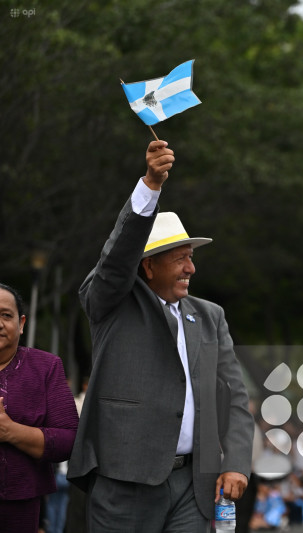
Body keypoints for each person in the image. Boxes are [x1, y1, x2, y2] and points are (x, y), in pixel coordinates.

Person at [67, 140, 255, 532]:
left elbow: (234, 395)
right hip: (125, 482)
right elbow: (117, 258)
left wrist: (236, 461)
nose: (191, 267)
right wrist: (151, 184)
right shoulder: (112, 303)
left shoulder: (209, 316)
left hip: (194, 485)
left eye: (192, 256)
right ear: (148, 266)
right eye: (180, 258)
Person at [0, 283, 79, 533]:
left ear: (21, 323)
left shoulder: (45, 367)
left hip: (18, 506)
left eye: (6, 315)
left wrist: (10, 430)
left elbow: (69, 439)